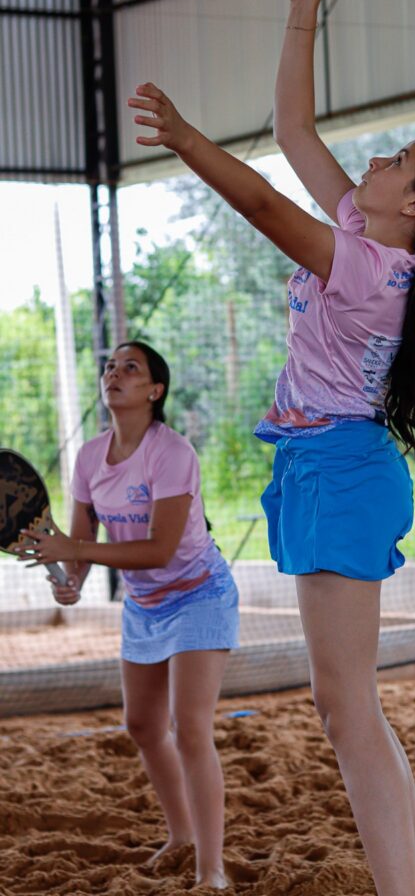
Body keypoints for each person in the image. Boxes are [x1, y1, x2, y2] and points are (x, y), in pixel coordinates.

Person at [124, 0, 415, 896]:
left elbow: (256, 199)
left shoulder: (367, 270)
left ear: (414, 205)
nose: (375, 158)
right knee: (353, 706)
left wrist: (190, 139)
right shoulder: (372, 243)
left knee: (342, 709)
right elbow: (292, 128)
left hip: (337, 471)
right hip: (327, 465)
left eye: (395, 161)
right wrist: (303, 8)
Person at [15, 340, 239, 891]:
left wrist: (73, 550)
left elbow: (159, 550)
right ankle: (180, 836)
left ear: (154, 391)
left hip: (198, 593)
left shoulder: (173, 453)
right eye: (109, 367)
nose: (114, 373)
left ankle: (213, 869)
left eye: (130, 368)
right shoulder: (91, 457)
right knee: (141, 725)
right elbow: (83, 539)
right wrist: (70, 581)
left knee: (190, 728)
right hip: (144, 602)